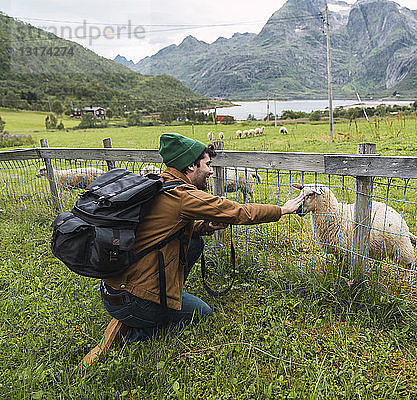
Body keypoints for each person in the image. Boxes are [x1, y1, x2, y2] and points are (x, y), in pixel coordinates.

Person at [81, 132, 304, 367]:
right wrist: (282, 210)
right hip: (133, 301)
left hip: (112, 289)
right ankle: (135, 332)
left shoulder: (157, 183)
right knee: (201, 313)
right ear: (190, 166)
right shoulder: (182, 196)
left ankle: (150, 304)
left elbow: (160, 228)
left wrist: (201, 227)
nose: (210, 171)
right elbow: (239, 211)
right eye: (207, 164)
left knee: (195, 241)